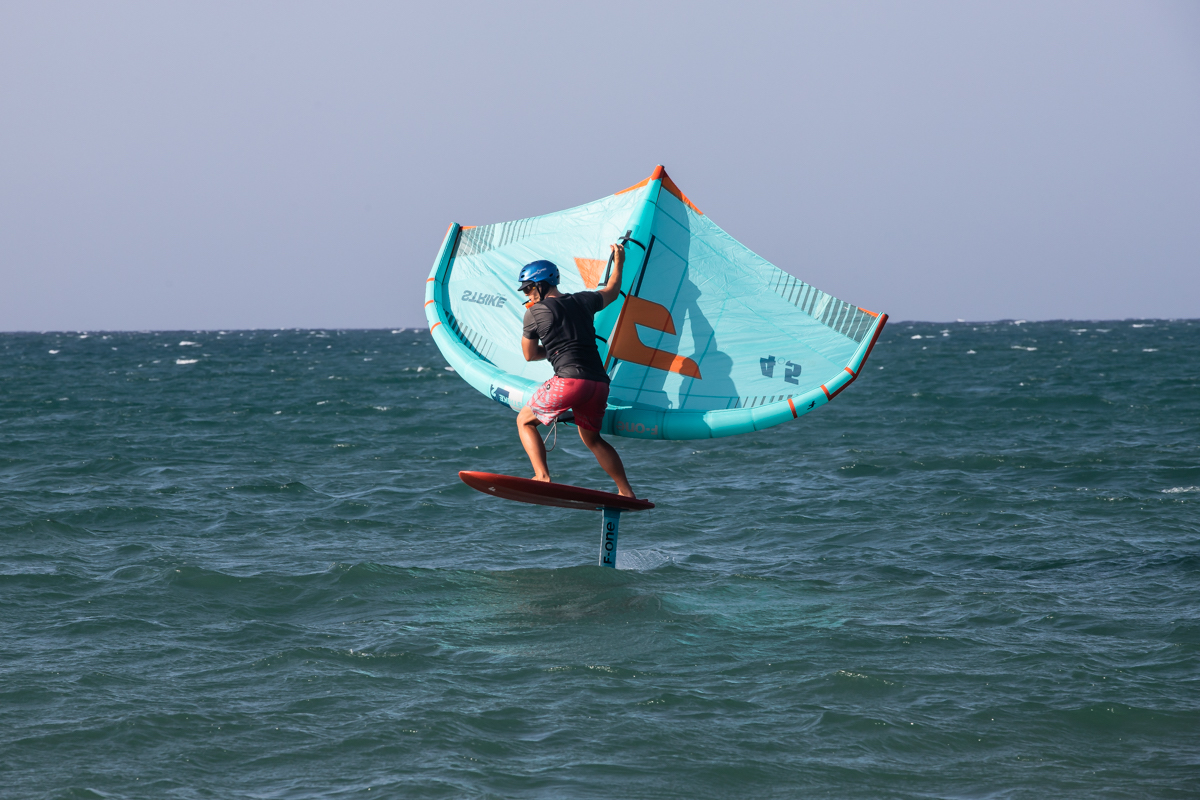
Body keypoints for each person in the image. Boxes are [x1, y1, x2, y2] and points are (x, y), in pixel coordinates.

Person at [516, 244, 635, 497]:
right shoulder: (583, 300)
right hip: (599, 384)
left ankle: (542, 476)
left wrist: (556, 348)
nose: (527, 293)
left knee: (525, 421)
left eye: (528, 288)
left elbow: (529, 355)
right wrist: (619, 262)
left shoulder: (534, 313)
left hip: (570, 382)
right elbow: (612, 291)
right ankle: (626, 492)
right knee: (593, 440)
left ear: (542, 284)